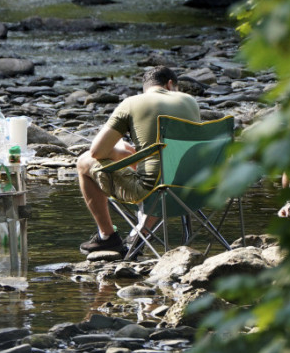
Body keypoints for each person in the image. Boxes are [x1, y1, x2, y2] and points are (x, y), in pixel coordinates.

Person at [76, 66, 200, 256]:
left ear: (147, 88)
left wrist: (117, 153)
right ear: (170, 85)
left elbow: (97, 152)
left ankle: (108, 237)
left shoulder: (132, 103)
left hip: (158, 190)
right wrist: (127, 152)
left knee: (83, 162)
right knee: (157, 167)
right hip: (194, 186)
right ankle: (140, 233)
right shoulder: (189, 101)